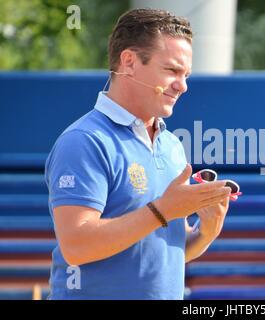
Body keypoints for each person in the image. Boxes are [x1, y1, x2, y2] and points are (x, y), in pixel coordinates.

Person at [45, 8, 231, 299]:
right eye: (171, 70)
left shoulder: (171, 145)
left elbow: (167, 255)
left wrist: (207, 229)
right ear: (129, 62)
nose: (183, 86)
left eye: (186, 75)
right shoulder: (83, 141)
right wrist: (162, 211)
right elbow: (76, 247)